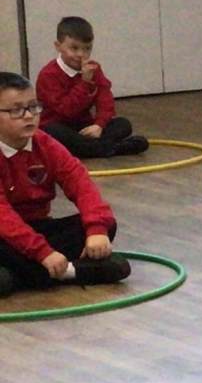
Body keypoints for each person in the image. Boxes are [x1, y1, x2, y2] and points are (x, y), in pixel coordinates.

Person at [0, 71, 131, 296]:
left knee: (105, 224)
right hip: (5, 234)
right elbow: (4, 217)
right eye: (16, 110)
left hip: (37, 227)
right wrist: (43, 253)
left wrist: (96, 229)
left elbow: (81, 184)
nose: (28, 116)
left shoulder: (45, 144)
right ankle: (73, 272)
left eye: (33, 107)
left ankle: (23, 276)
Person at [34, 16, 148, 159]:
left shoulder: (94, 68)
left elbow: (105, 100)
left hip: (85, 127)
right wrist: (85, 83)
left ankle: (90, 148)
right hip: (59, 126)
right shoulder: (48, 74)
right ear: (58, 46)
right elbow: (66, 110)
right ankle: (114, 148)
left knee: (123, 124)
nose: (81, 54)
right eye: (74, 48)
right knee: (51, 132)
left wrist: (99, 125)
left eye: (87, 48)